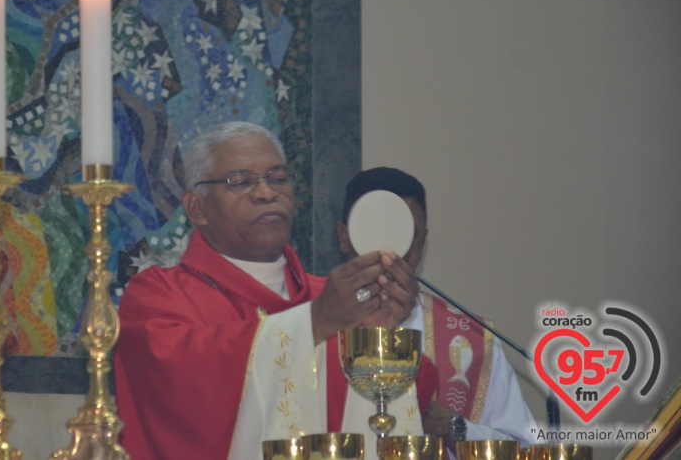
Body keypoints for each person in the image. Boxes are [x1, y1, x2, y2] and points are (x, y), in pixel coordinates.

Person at [114, 122, 424, 460]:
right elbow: (179, 386)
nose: (265, 192)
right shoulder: (159, 294)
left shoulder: (336, 299)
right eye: (241, 181)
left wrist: (384, 335)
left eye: (278, 179)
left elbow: (414, 405)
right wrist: (313, 324)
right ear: (197, 208)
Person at [336, 167, 538, 453]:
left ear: (423, 239)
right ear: (344, 237)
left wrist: (456, 428)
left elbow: (530, 451)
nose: (391, 253)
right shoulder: (313, 329)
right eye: (375, 232)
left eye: (407, 235)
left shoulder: (473, 343)